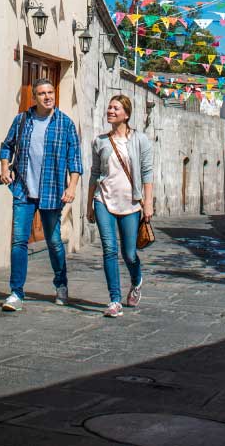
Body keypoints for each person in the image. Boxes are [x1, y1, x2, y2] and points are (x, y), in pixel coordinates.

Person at [0, 78, 83, 311]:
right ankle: (16, 293)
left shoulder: (65, 123)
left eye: (50, 92)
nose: (47, 97)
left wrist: (72, 187)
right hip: (23, 190)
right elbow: (7, 145)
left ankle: (61, 284)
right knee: (18, 241)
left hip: (53, 191)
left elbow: (75, 159)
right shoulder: (22, 120)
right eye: (42, 93)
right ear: (34, 97)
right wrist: (5, 168)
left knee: (54, 241)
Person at [87, 95, 153, 316]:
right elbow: (94, 174)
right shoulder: (100, 141)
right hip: (103, 199)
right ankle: (114, 300)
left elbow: (147, 173)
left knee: (129, 253)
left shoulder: (140, 140)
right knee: (109, 248)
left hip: (131, 204)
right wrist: (89, 205)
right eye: (109, 107)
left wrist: (148, 203)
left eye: (116, 108)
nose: (110, 111)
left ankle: (136, 280)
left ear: (126, 114)